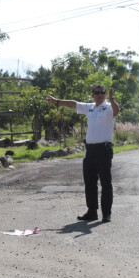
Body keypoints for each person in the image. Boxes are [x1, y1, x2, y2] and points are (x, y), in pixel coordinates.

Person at [46, 85, 120, 223]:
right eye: (97, 93)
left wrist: (112, 98)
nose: (100, 95)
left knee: (106, 183)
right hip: (90, 151)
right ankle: (92, 212)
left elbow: (117, 110)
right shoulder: (90, 107)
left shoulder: (109, 107)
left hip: (104, 150)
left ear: (105, 94)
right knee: (90, 183)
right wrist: (57, 101)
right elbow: (74, 104)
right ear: (92, 94)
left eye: (102, 93)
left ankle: (106, 214)